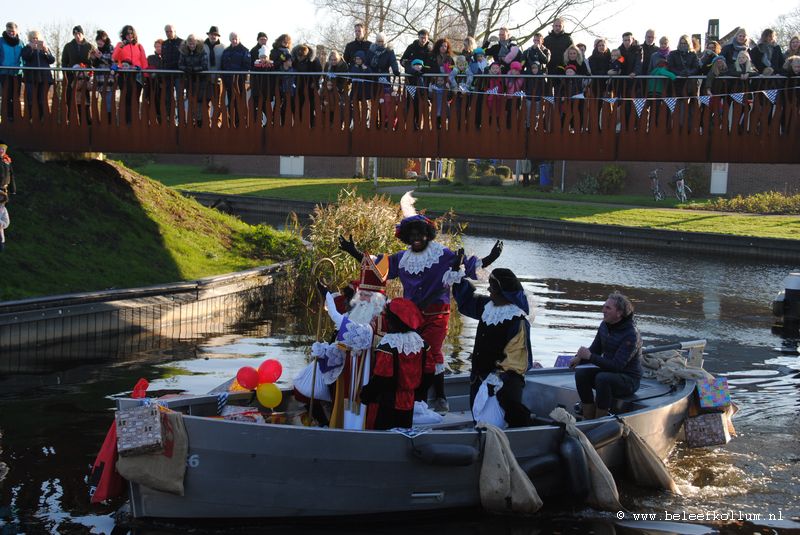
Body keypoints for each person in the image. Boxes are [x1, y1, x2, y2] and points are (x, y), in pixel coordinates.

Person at [338, 192, 503, 414]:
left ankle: (440, 397)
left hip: (436, 314)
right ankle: (416, 397)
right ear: (406, 237)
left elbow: (468, 266)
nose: (416, 237)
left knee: (432, 352)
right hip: (410, 317)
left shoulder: (441, 254)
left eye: (419, 233)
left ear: (427, 235)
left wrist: (491, 258)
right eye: (411, 234)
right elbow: (377, 268)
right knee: (413, 355)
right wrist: (354, 252)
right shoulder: (402, 258)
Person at [449, 264, 534, 428]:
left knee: (497, 426)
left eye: (493, 288)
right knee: (479, 422)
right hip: (478, 380)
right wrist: (457, 274)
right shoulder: (488, 307)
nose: (488, 290)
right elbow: (466, 302)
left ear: (504, 293)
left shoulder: (517, 320)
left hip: (502, 386)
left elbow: (518, 360)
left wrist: (497, 379)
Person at [569, 292, 642, 420]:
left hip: (629, 380)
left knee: (602, 378)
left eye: (608, 308)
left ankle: (599, 420)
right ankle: (588, 416)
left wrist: (590, 356)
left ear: (619, 313)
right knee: (581, 374)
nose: (603, 310)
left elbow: (617, 366)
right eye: (604, 307)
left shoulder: (631, 334)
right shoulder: (604, 325)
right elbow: (595, 349)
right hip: (609, 372)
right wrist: (579, 358)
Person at [359, 297, 428, 430]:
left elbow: (382, 378)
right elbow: (428, 373)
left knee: (382, 437)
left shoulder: (389, 345)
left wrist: (366, 395)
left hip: (387, 402)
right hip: (409, 401)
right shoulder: (421, 344)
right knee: (402, 434)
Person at [112, 25, 147, 125]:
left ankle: (135, 121)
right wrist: (121, 46)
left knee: (135, 98)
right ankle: (127, 121)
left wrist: (145, 75)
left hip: (137, 75)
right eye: (127, 34)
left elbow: (144, 62)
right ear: (124, 35)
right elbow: (114, 57)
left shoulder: (139, 46)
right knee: (126, 98)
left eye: (131, 33)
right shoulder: (120, 44)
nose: (129, 35)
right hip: (124, 75)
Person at [20, 30, 55, 121]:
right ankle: (31, 117)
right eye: (33, 38)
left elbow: (52, 60)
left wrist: (46, 51)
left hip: (44, 77)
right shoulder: (26, 48)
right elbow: (25, 57)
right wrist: (31, 49)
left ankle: (42, 118)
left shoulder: (44, 49)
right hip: (31, 77)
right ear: (30, 40)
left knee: (42, 99)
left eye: (37, 38)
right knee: (30, 98)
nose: (35, 40)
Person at [369, 33, 400, 129]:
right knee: (375, 101)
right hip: (373, 78)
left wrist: (395, 70)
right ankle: (374, 123)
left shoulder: (389, 51)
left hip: (385, 78)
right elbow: (367, 61)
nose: (380, 43)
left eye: (382, 41)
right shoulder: (371, 50)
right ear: (376, 41)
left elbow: (393, 61)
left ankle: (385, 122)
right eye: (378, 41)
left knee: (385, 101)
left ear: (385, 41)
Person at [61, 25, 92, 119]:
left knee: (85, 99)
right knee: (71, 97)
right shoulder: (68, 46)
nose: (77, 36)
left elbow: (92, 62)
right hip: (71, 77)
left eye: (79, 33)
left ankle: (86, 119)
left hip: (85, 77)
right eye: (75, 34)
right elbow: (64, 62)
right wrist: (66, 75)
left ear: (82, 34)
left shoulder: (89, 46)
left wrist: (87, 71)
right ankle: (72, 119)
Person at [178, 34, 209, 126]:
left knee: (199, 100)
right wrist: (187, 68)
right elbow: (180, 65)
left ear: (196, 43)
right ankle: (191, 119)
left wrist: (193, 69)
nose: (192, 46)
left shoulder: (202, 51)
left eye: (193, 44)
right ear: (187, 44)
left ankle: (199, 120)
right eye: (190, 44)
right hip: (189, 80)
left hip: (201, 80)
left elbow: (204, 66)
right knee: (190, 99)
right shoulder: (183, 52)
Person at [221, 32, 250, 127]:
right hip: (229, 82)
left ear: (239, 39)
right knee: (231, 102)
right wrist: (225, 78)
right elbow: (222, 66)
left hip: (240, 82)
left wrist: (237, 76)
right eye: (233, 38)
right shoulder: (226, 51)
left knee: (241, 103)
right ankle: (231, 122)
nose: (234, 40)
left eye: (236, 38)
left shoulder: (244, 50)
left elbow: (246, 66)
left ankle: (241, 123)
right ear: (230, 39)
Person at [292, 43, 322, 126]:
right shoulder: (294, 60)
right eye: (299, 57)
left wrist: (314, 82)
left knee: (311, 106)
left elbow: (319, 71)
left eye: (302, 57)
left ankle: (312, 124)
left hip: (311, 87)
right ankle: (299, 123)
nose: (300, 58)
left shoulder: (314, 60)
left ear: (306, 55)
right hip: (298, 86)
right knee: (298, 105)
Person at [1, 22, 24, 122]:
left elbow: (24, 58)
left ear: (17, 31)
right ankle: (7, 116)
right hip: (4, 72)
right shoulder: (1, 41)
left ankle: (16, 116)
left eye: (13, 31)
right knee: (7, 94)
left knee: (16, 95)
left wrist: (23, 70)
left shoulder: (20, 43)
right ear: (6, 30)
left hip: (17, 73)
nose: (11, 33)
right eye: (9, 31)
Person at [161, 25, 183, 122]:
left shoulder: (181, 42)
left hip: (178, 74)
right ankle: (170, 119)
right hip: (167, 75)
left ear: (175, 31)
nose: (168, 33)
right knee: (168, 98)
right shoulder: (164, 44)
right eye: (166, 32)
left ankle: (182, 120)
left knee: (180, 98)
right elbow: (163, 59)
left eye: (170, 31)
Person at [203, 26, 225, 124]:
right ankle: (206, 121)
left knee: (218, 102)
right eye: (212, 34)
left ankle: (217, 121)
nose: (213, 36)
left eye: (215, 35)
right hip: (206, 77)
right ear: (209, 35)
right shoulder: (202, 46)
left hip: (218, 77)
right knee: (206, 100)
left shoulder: (223, 47)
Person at [145, 39, 164, 123]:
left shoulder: (166, 58)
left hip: (164, 84)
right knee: (154, 103)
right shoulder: (150, 58)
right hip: (153, 85)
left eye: (159, 46)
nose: (158, 48)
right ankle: (156, 120)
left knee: (164, 103)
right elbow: (146, 70)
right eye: (156, 47)